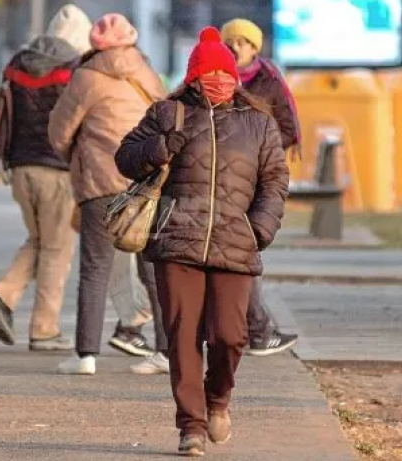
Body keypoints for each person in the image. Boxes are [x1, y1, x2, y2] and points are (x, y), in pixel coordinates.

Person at [115, 27, 289, 456]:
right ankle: (190, 426)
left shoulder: (258, 124)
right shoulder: (167, 114)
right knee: (182, 335)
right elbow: (125, 158)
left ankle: (218, 400)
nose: (218, 81)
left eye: (224, 74)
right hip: (177, 242)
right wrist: (161, 146)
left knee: (230, 335)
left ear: (235, 78)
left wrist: (260, 228)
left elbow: (275, 181)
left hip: (235, 244)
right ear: (193, 77)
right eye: (208, 74)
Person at [49, 13, 168, 375]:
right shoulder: (148, 73)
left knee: (95, 269)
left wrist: (75, 154)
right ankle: (166, 351)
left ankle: (86, 355)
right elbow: (166, 120)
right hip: (144, 184)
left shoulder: (85, 77)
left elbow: (58, 131)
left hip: (99, 182)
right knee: (154, 268)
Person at [0, 35, 81, 351]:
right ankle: (44, 329)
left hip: (20, 168)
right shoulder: (73, 69)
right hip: (57, 172)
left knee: (39, 241)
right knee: (56, 249)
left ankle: (3, 295)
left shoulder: (16, 65)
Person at [220, 18, 300, 356]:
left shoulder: (269, 82)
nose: (237, 47)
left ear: (255, 48)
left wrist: (257, 143)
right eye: (232, 42)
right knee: (239, 252)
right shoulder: (213, 78)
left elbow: (289, 128)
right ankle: (255, 330)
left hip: (254, 177)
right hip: (220, 175)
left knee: (243, 250)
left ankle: (254, 328)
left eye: (244, 42)